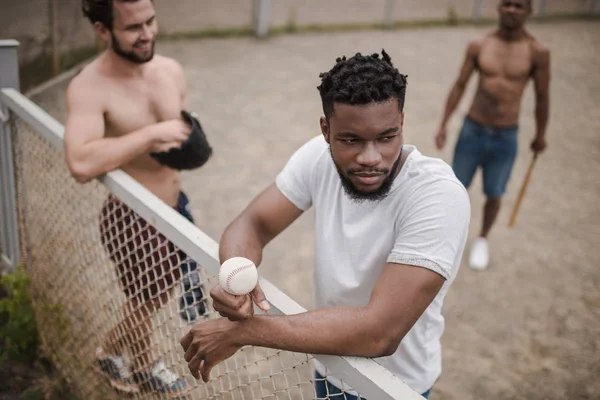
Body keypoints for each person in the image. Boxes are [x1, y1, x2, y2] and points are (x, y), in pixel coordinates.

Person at [180, 50, 471, 399]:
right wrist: (236, 273)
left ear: (402, 124)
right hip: (328, 363)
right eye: (350, 140)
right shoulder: (317, 158)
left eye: (386, 137)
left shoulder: (438, 195)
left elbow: (380, 332)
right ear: (325, 129)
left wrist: (242, 331)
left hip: (394, 387)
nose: (370, 157)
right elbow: (253, 223)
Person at [64, 0, 210, 395]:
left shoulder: (169, 70)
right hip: (131, 215)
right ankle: (122, 356)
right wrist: (147, 135)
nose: (146, 34)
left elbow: (180, 141)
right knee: (149, 299)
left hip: (174, 206)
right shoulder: (89, 86)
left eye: (150, 22)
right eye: (133, 28)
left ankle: (130, 362)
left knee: (146, 297)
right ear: (102, 30)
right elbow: (79, 161)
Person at [435, 0, 550, 271]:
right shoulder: (480, 45)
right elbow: (460, 84)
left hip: (505, 134)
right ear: (499, 8)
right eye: (507, 4)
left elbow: (543, 97)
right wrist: (443, 124)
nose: (512, 10)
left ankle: (482, 240)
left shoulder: (537, 52)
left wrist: (541, 134)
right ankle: (446, 239)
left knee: (494, 192)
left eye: (519, 5)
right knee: (454, 187)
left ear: (529, 11)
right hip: (472, 129)